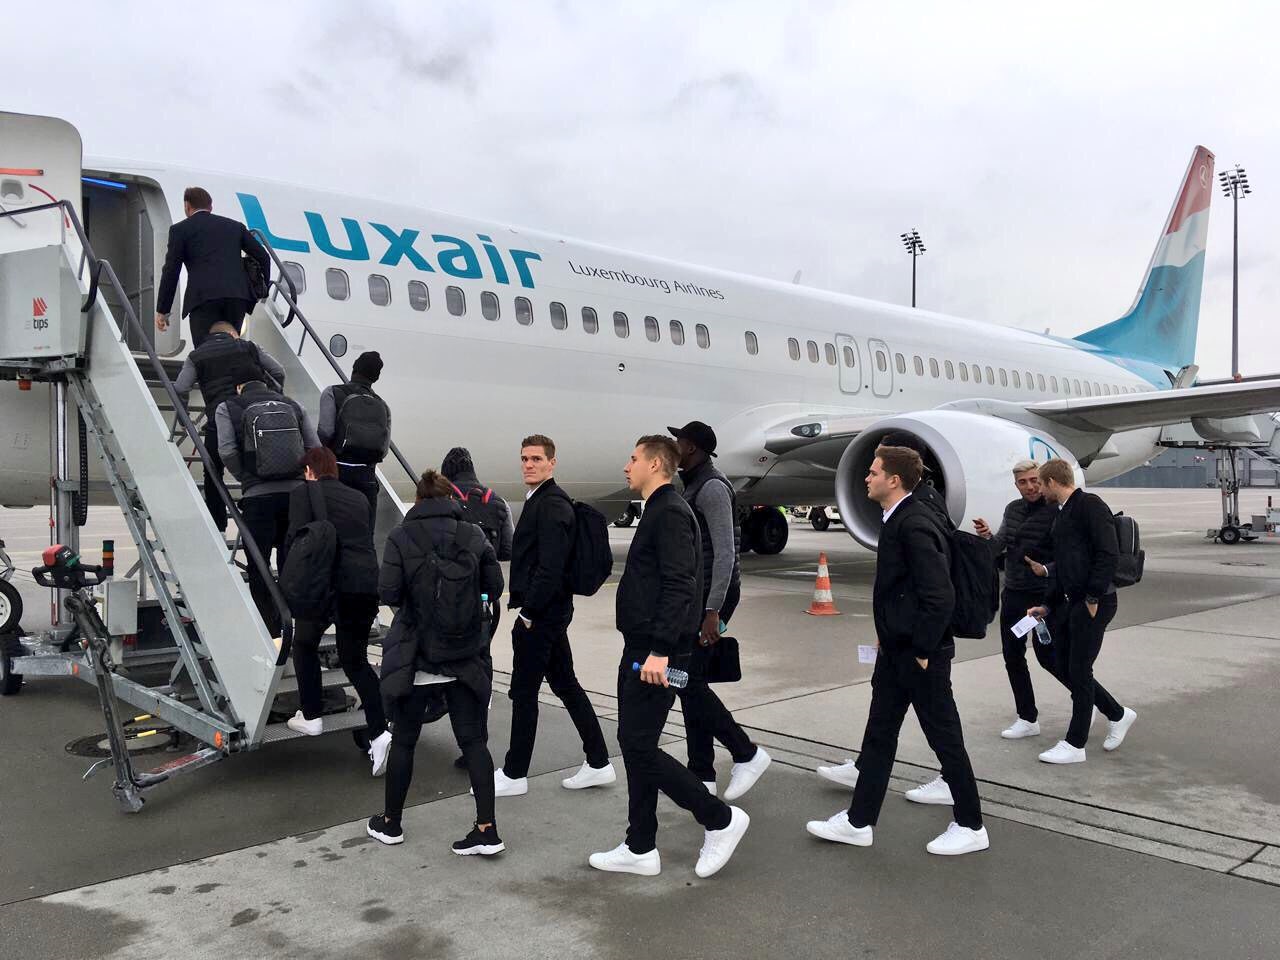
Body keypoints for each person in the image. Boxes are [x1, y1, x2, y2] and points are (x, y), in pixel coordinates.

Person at [806, 445, 989, 856]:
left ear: (894, 480)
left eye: (873, 472)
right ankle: (859, 822)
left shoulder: (914, 523)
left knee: (945, 739)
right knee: (879, 735)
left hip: (919, 655)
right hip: (897, 649)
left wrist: (922, 648)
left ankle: (971, 825)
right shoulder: (898, 517)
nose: (866, 478)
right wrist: (888, 633)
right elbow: (903, 591)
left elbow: (939, 595)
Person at [590, 435, 750, 879]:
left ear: (656, 464)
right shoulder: (659, 509)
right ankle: (640, 845)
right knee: (635, 743)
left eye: (634, 458)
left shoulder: (671, 512)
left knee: (638, 746)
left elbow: (681, 585)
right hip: (644, 647)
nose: (627, 466)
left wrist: (660, 650)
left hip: (657, 652)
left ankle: (719, 819)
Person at [367, 470, 505, 854]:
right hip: (463, 656)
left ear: (419, 500)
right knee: (474, 743)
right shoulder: (473, 535)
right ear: (450, 498)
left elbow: (388, 592)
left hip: (418, 656)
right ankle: (487, 829)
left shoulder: (401, 536)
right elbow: (495, 587)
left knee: (405, 741)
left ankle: (391, 823)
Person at [495, 434, 614, 797]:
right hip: (550, 613)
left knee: (524, 692)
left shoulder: (551, 504)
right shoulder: (542, 500)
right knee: (565, 684)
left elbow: (551, 566)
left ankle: (514, 774)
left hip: (543, 615)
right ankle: (599, 762)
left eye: (536, 459)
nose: (528, 465)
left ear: (552, 462)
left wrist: (529, 613)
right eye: (524, 459)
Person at [669, 420, 770, 798]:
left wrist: (714, 610)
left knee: (686, 679)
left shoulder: (711, 487)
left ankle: (746, 753)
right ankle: (702, 773)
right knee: (691, 680)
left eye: (679, 441)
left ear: (692, 448)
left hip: (713, 597)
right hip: (699, 595)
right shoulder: (694, 482)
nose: (674, 446)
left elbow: (726, 552)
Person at [1027, 459, 1137, 763]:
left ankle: (1075, 744)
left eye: (1040, 483)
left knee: (1078, 669)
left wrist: (1093, 596)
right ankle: (1117, 713)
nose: (1038, 489)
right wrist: (1048, 604)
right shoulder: (1063, 512)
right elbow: (1065, 565)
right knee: (1063, 664)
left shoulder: (1090, 505)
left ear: (1052, 482)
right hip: (1070, 601)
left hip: (1094, 602)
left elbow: (1107, 553)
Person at [282, 448, 387, 761]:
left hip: (326, 584)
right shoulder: (359, 498)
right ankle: (379, 731)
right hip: (364, 584)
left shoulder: (302, 494)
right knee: (355, 661)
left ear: (309, 471)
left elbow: (297, 541)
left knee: (304, 644)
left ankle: (312, 715)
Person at [215, 378, 320, 636]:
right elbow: (314, 447)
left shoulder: (228, 407)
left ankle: (271, 630)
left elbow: (226, 451)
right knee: (292, 561)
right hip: (296, 496)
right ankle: (294, 625)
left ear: (239, 386)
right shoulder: (293, 405)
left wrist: (245, 477)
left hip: (258, 497)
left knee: (258, 563)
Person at [974, 460, 1058, 741]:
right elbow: (1000, 545)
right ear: (1016, 485)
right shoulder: (1013, 509)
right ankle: (1027, 717)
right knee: (1012, 656)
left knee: (1051, 657)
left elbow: (1068, 554)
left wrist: (1047, 571)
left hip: (1043, 595)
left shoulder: (1055, 510)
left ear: (1043, 480)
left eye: (1034, 480)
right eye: (1023, 482)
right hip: (1014, 593)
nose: (1030, 486)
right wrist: (987, 536)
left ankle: (1088, 697)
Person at [175, 321, 285, 533]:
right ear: (233, 334)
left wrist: (184, 419)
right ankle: (263, 525)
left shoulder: (196, 356)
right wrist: (275, 397)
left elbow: (180, 387)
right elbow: (278, 371)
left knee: (213, 473)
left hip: (218, 421)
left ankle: (219, 528)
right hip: (254, 418)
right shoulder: (247, 346)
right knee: (261, 468)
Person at [155, 187, 270, 347]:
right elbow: (263, 256)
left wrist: (163, 310)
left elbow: (171, 271)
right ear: (210, 206)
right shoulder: (235, 227)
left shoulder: (180, 230)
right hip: (236, 299)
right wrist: (262, 289)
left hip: (203, 299)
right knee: (231, 348)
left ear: (187, 206)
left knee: (204, 351)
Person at [318, 351, 390, 525]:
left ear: (354, 369)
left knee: (332, 528)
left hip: (336, 472)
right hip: (367, 477)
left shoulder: (332, 392)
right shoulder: (382, 405)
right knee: (365, 532)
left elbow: (325, 432)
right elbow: (384, 449)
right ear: (376, 378)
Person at [442, 446, 514, 561]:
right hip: (487, 569)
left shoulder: (441, 500)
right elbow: (508, 549)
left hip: (451, 568)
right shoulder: (499, 501)